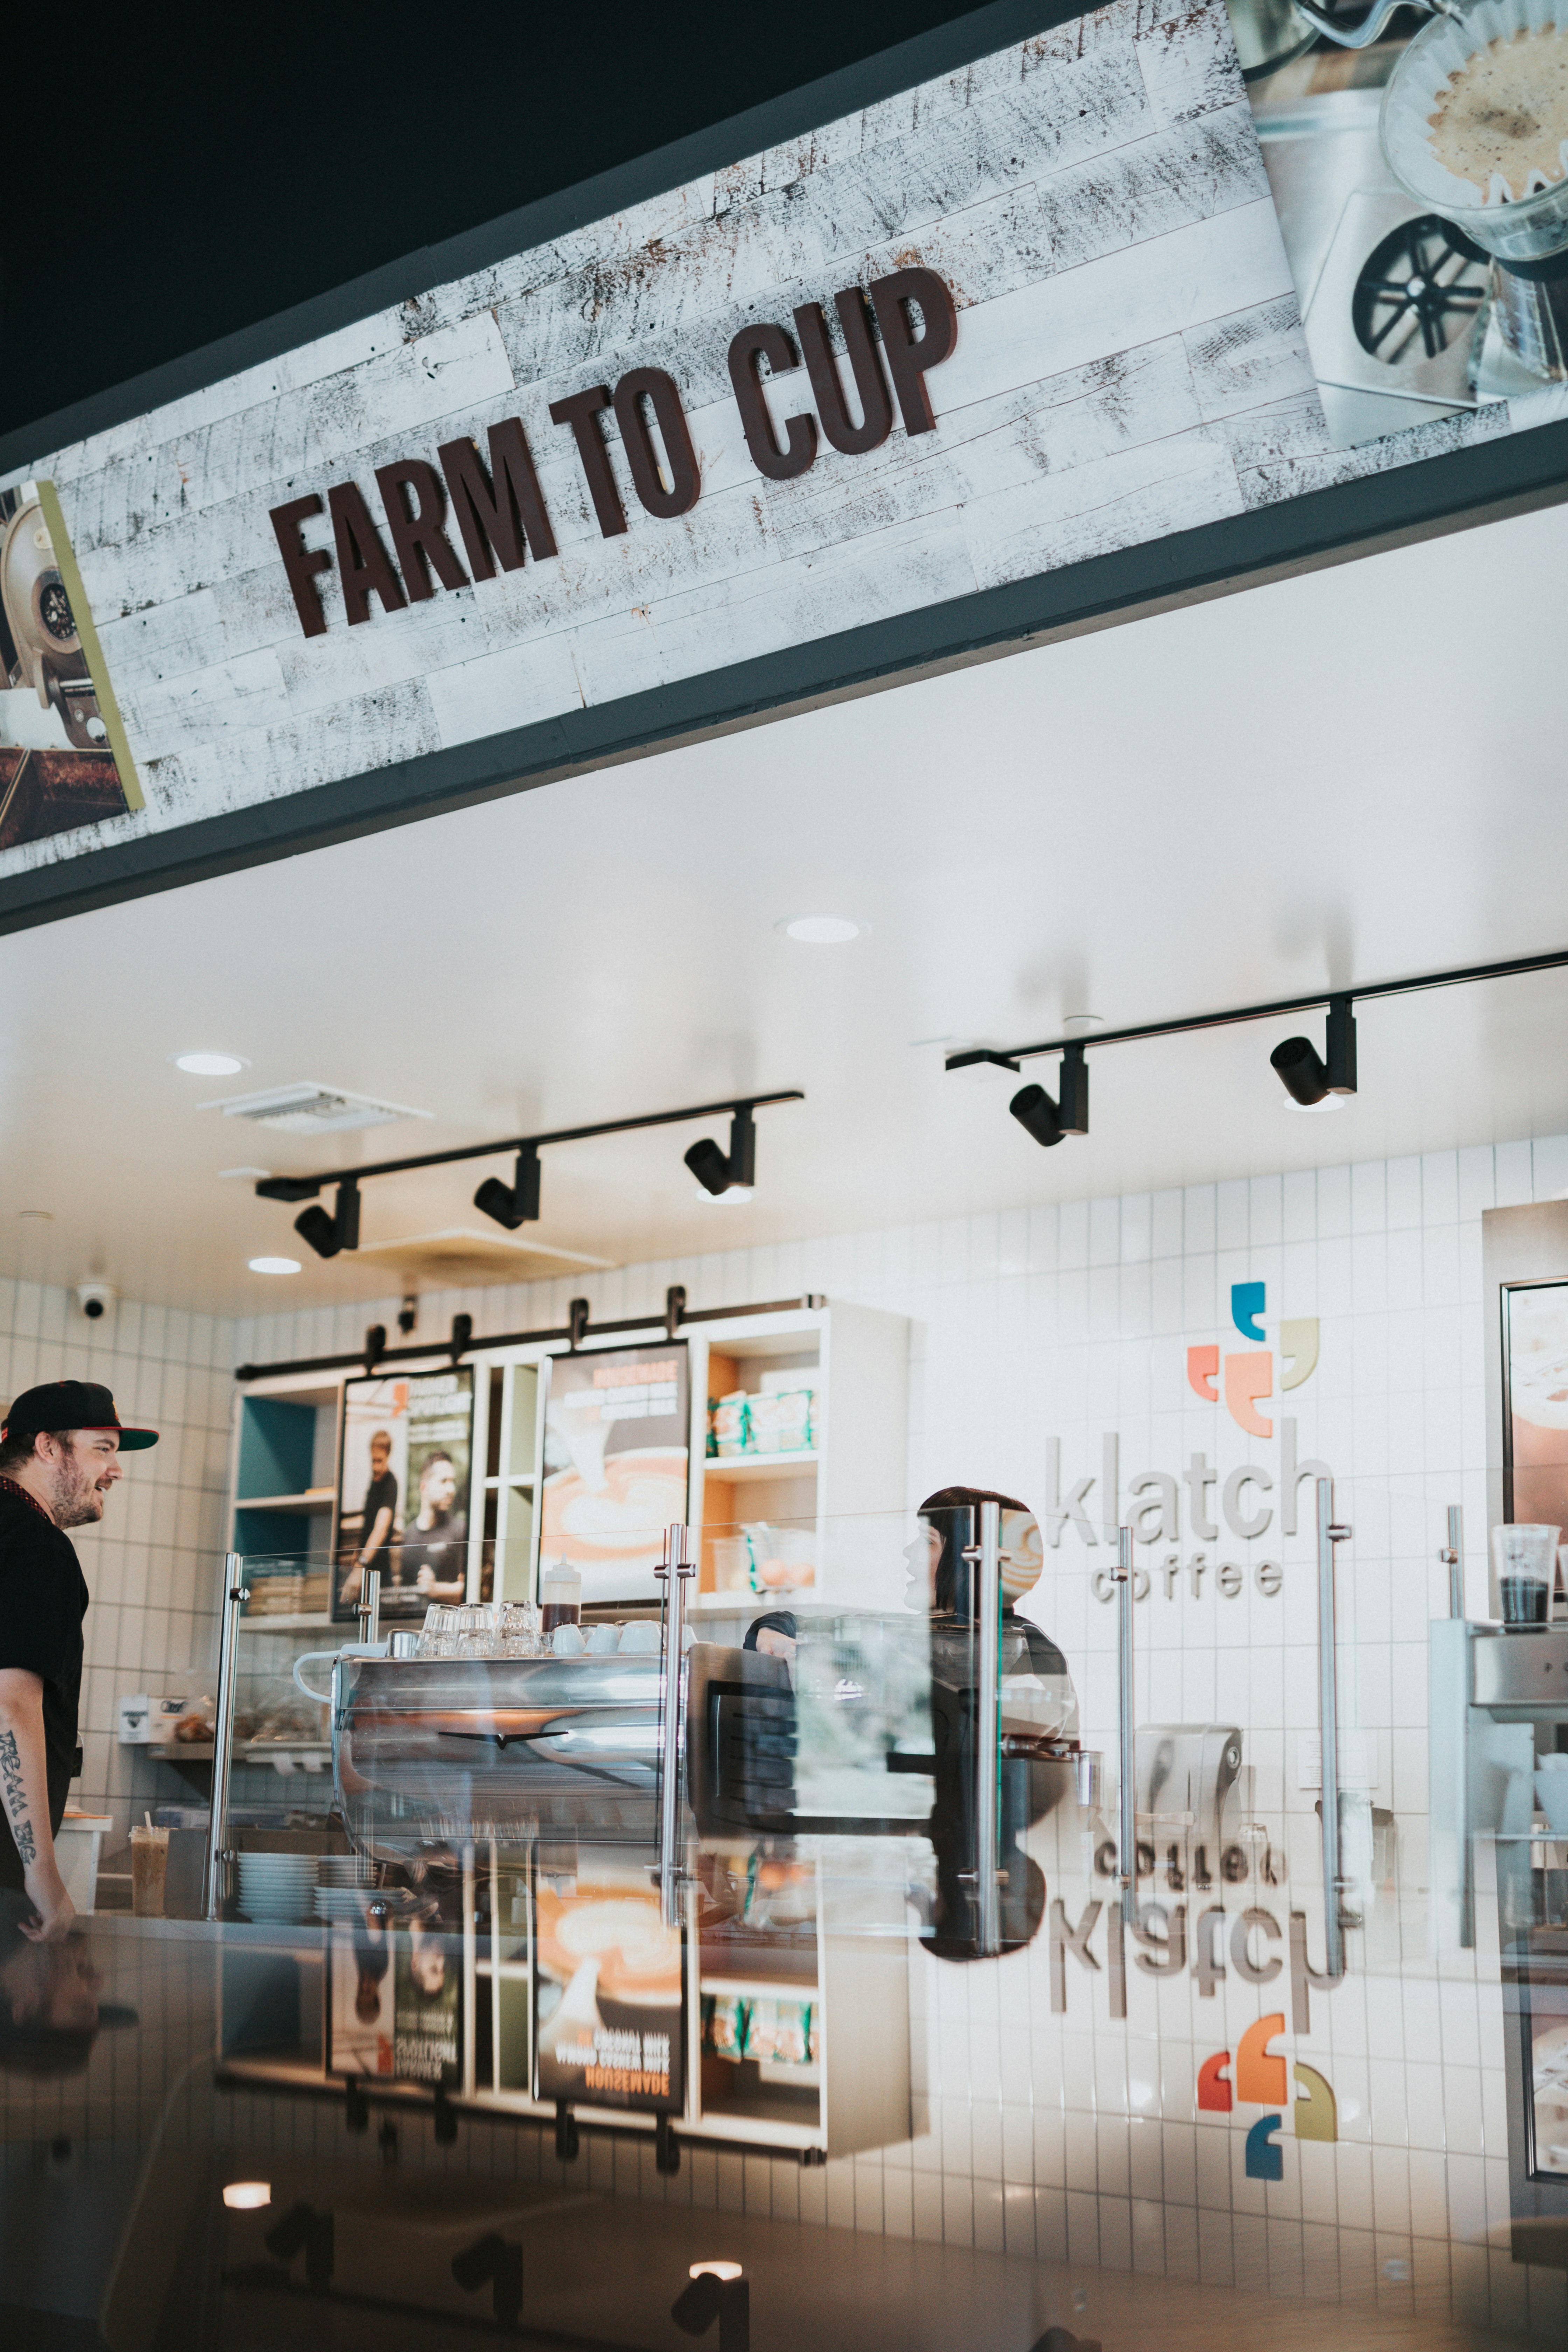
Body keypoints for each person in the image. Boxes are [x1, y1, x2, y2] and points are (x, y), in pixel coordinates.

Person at [0, 1381, 158, 1941]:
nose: (115, 1471)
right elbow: (11, 1706)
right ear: (47, 1447)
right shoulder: (38, 1548)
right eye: (103, 1449)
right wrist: (41, 1871)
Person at [399, 1450, 468, 1602]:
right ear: (424, 1487)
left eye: (452, 1482)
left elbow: (471, 1590)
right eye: (444, 1481)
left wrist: (436, 1589)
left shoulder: (460, 1531)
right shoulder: (408, 1535)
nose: (452, 1490)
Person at [340, 1428, 397, 1606]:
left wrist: (361, 1565)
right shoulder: (374, 1481)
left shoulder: (390, 1484)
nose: (375, 1467)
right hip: (365, 1564)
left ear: (388, 1455)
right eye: (373, 1460)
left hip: (379, 1569)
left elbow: (381, 1528)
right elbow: (368, 1525)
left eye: (380, 1461)